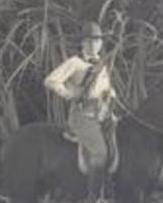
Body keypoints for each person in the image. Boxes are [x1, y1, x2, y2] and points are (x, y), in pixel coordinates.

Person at [44, 21, 116, 199]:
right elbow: (51, 80)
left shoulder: (102, 65)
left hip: (102, 114)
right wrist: (68, 93)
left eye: (97, 40)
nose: (93, 44)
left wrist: (110, 94)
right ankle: (94, 198)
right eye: (89, 41)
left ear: (101, 44)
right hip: (83, 116)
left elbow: (104, 89)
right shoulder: (75, 63)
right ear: (82, 43)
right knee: (100, 152)